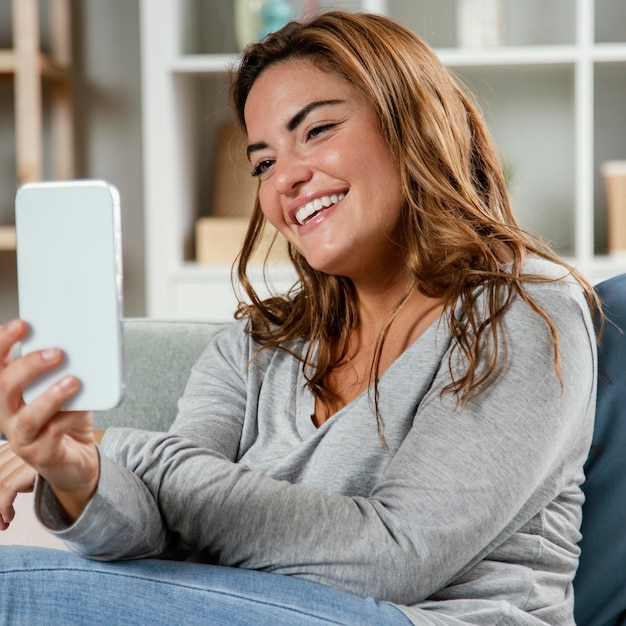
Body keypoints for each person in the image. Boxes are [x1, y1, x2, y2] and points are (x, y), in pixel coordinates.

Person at [0, 10, 599, 625]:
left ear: (411, 122)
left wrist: (120, 446)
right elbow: (157, 531)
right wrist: (78, 469)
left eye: (316, 130)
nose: (285, 177)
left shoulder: (523, 308)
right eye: (262, 162)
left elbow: (396, 556)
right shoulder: (257, 345)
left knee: (12, 589)